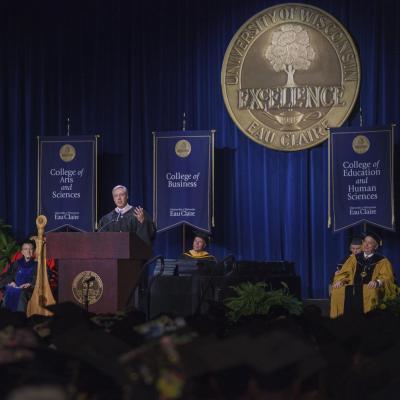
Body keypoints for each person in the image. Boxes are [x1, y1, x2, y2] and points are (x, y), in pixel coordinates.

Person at [330, 232, 395, 318]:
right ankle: (339, 321)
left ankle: (369, 321)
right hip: (353, 286)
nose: (366, 245)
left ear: (375, 247)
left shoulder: (382, 261)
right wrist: (341, 281)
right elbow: (345, 273)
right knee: (336, 291)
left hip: (368, 287)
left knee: (372, 291)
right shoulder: (354, 258)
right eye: (365, 242)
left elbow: (387, 276)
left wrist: (377, 281)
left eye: (370, 243)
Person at [0, 240, 37, 312]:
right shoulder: (16, 263)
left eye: (30, 249)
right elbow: (6, 275)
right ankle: (5, 318)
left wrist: (30, 284)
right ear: (22, 252)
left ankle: (19, 318)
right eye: (25, 249)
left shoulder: (38, 265)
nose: (28, 251)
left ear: (34, 251)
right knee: (9, 290)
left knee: (20, 293)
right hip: (14, 287)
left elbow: (44, 278)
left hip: (28, 290)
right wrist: (11, 282)